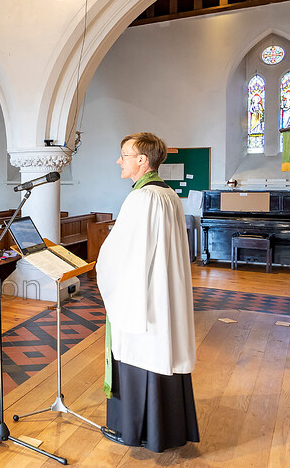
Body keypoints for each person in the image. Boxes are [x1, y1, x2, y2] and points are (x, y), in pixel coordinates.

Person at [96, 132, 199, 453]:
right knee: (162, 355)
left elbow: (123, 255)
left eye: (124, 155)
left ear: (142, 160)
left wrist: (103, 265)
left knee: (143, 354)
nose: (119, 161)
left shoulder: (143, 198)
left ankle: (137, 431)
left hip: (145, 302)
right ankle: (164, 430)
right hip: (162, 295)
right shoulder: (167, 194)